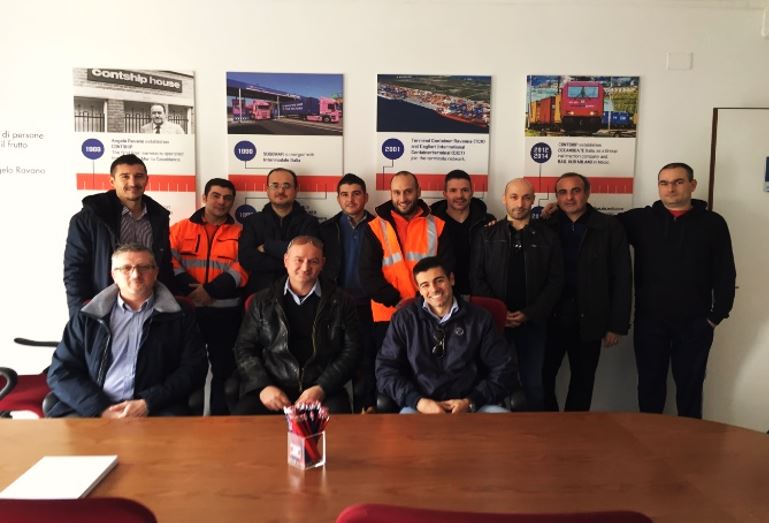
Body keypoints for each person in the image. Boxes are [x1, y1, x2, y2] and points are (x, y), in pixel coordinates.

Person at [616, 162, 736, 418]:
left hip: (696, 323)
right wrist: (556, 213)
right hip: (650, 322)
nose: (670, 188)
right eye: (664, 183)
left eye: (678, 182)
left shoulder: (713, 223)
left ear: (692, 185)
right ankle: (649, 439)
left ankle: (690, 443)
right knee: (649, 388)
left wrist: (716, 316)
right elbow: (597, 226)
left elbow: (726, 272)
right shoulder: (640, 220)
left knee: (690, 390)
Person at [47, 244, 207, 418]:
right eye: (126, 268)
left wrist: (148, 402)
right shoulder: (88, 316)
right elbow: (61, 371)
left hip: (155, 408)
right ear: (114, 275)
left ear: (155, 272)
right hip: (92, 410)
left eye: (144, 267)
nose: (136, 274)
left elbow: (194, 368)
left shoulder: (179, 315)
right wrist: (101, 409)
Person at [232, 236, 360, 415]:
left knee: (337, 421)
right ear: (286, 261)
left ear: (322, 263)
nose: (305, 267)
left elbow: (352, 351)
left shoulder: (342, 302)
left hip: (322, 388)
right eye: (298, 260)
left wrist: (322, 387)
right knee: (244, 417)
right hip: (273, 386)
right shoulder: (262, 301)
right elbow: (244, 348)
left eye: (313, 261)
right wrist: (263, 386)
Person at [470, 178, 563, 411]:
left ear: (533, 200)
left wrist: (530, 313)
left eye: (526, 197)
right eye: (514, 197)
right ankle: (493, 431)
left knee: (534, 384)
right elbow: (476, 278)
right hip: (493, 324)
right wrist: (500, 313)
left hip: (533, 323)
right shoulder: (486, 235)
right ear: (504, 199)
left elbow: (555, 281)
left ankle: (533, 432)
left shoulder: (548, 237)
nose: (520, 203)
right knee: (491, 382)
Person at [541, 173, 632, 411]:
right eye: (562, 192)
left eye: (576, 191)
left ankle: (575, 430)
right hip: (550, 318)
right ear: (556, 197)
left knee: (583, 381)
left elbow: (622, 277)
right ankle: (549, 426)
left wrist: (617, 325)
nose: (569, 197)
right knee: (542, 378)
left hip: (590, 318)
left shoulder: (609, 227)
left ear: (587, 193)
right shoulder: (546, 225)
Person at [376, 257, 514, 414]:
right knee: (402, 428)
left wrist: (471, 401)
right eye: (425, 285)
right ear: (419, 289)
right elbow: (386, 370)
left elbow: (504, 368)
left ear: (451, 279)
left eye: (439, 280)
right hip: (420, 407)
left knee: (506, 425)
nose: (434, 289)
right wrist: (417, 401)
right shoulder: (404, 320)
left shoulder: (480, 319)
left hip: (473, 406)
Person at [170, 178, 248, 415]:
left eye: (227, 198)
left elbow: (244, 266)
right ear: (204, 198)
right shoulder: (180, 229)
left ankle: (219, 418)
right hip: (187, 310)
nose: (221, 202)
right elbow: (168, 261)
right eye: (216, 196)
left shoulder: (241, 233)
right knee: (185, 366)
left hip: (225, 312)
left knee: (223, 370)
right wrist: (191, 290)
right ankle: (186, 419)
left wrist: (211, 291)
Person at [359, 171, 453, 366]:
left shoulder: (438, 226)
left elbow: (445, 272)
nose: (402, 198)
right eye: (397, 192)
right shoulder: (375, 227)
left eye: (408, 191)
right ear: (390, 193)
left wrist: (420, 304)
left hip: (430, 314)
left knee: (426, 372)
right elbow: (367, 275)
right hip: (387, 315)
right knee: (389, 372)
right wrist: (396, 300)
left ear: (419, 191)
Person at [64, 153, 175, 318]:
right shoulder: (89, 218)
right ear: (112, 181)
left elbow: (164, 265)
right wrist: (78, 315)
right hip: (105, 309)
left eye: (139, 176)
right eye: (125, 176)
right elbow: (75, 270)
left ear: (147, 180)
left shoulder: (159, 218)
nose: (133, 183)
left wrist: (171, 309)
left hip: (151, 308)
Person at [318, 173, 376, 412]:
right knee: (336, 360)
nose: (350, 200)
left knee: (367, 359)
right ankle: (339, 411)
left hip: (370, 305)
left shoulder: (380, 226)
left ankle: (366, 410)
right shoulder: (326, 229)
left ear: (366, 197)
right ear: (338, 198)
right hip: (336, 305)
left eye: (356, 194)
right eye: (344, 194)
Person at [238, 167, 319, 296]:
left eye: (286, 186)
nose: (281, 191)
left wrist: (267, 246)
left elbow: (307, 257)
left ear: (296, 190)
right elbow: (247, 259)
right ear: (267, 190)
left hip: (298, 296)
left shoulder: (309, 222)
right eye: (275, 186)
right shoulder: (253, 221)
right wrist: (292, 260)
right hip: (259, 296)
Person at [429, 169, 494, 297]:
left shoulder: (487, 222)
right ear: (445, 193)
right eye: (453, 190)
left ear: (472, 192)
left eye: (465, 190)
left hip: (479, 294)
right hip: (442, 295)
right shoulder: (431, 223)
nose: (459, 195)